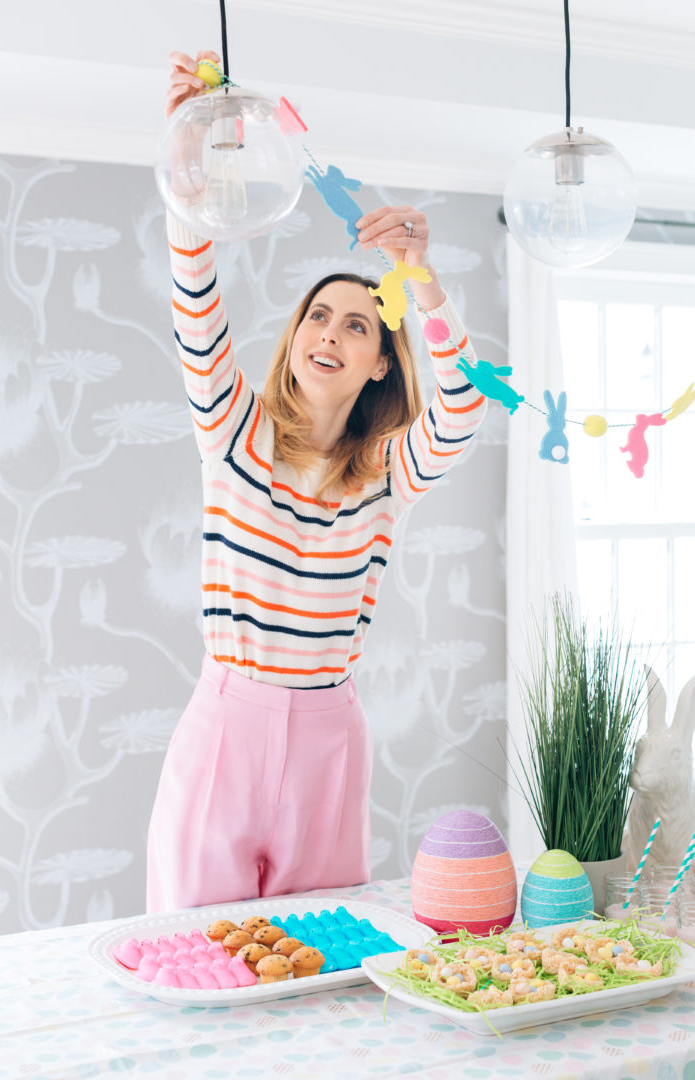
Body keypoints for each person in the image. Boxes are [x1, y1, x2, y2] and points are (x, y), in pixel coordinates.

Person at [146, 50, 487, 913]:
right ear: (297, 336)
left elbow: (463, 408)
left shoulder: (385, 476)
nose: (329, 334)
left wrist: (423, 284)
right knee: (196, 946)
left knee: (316, 952)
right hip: (225, 721)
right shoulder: (234, 433)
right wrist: (190, 158)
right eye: (318, 317)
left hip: (331, 736)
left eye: (359, 325)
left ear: (381, 363)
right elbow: (195, 295)